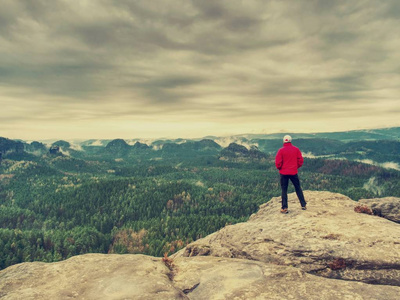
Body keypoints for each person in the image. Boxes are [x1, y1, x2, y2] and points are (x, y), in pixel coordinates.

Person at [275, 135, 307, 213]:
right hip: (293, 172)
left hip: (283, 173)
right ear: (290, 141)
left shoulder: (281, 151)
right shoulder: (296, 149)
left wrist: (281, 168)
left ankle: (284, 208)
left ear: (284, 141)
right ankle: (303, 205)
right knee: (298, 187)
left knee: (284, 190)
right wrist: (295, 167)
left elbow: (278, 163)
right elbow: (300, 161)